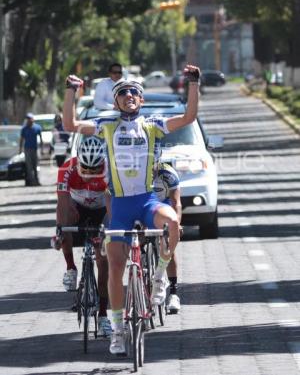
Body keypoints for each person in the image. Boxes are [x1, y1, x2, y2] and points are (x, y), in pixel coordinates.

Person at [62, 63, 200, 354]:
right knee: (114, 268)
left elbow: (189, 117)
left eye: (133, 92)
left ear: (142, 99)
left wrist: (193, 84)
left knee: (172, 221)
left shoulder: (152, 125)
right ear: (115, 101)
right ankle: (116, 330)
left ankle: (161, 276)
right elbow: (71, 126)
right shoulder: (107, 126)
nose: (128, 96)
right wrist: (71, 92)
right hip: (121, 206)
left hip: (147, 199)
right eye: (122, 93)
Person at [54, 135, 112, 337]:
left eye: (94, 170)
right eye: (84, 169)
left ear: (102, 164)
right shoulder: (66, 169)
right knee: (64, 221)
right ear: (78, 161)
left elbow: (112, 209)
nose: (88, 174)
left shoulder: (110, 170)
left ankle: (104, 315)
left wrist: (107, 232)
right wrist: (61, 230)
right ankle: (70, 268)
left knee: (103, 261)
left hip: (102, 210)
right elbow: (62, 203)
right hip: (76, 207)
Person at [153, 159, 182, 314]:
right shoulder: (135, 175)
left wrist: (176, 224)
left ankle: (174, 293)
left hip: (164, 206)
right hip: (146, 208)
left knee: (168, 243)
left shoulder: (168, 174)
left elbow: (176, 203)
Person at [19, 112, 43, 186]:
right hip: (27, 149)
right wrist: (20, 149)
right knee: (29, 166)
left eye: (30, 119)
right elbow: (22, 139)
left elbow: (41, 138)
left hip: (35, 149)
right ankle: (31, 181)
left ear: (33, 119)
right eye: (27, 119)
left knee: (35, 165)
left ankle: (37, 180)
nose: (29, 120)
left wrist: (41, 148)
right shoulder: (24, 128)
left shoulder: (37, 127)